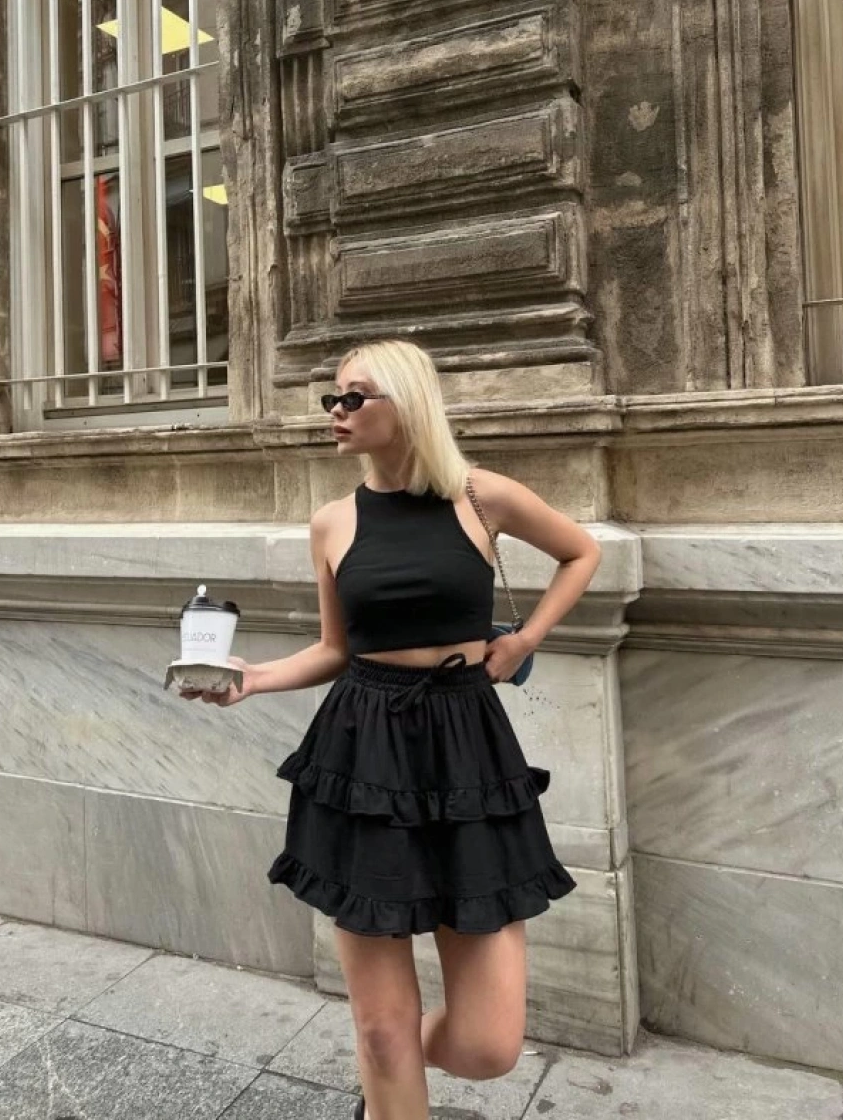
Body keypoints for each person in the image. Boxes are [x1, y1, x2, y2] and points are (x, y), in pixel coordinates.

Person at [184, 339, 602, 1120]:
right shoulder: (332, 523)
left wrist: (524, 640)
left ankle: (395, 1077)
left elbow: (581, 552)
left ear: (406, 403)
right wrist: (253, 677)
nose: (335, 412)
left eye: (354, 397)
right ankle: (387, 1098)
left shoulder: (481, 496)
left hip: (467, 749)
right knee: (382, 1033)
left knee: (488, 1044)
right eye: (332, 399)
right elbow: (335, 649)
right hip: (364, 752)